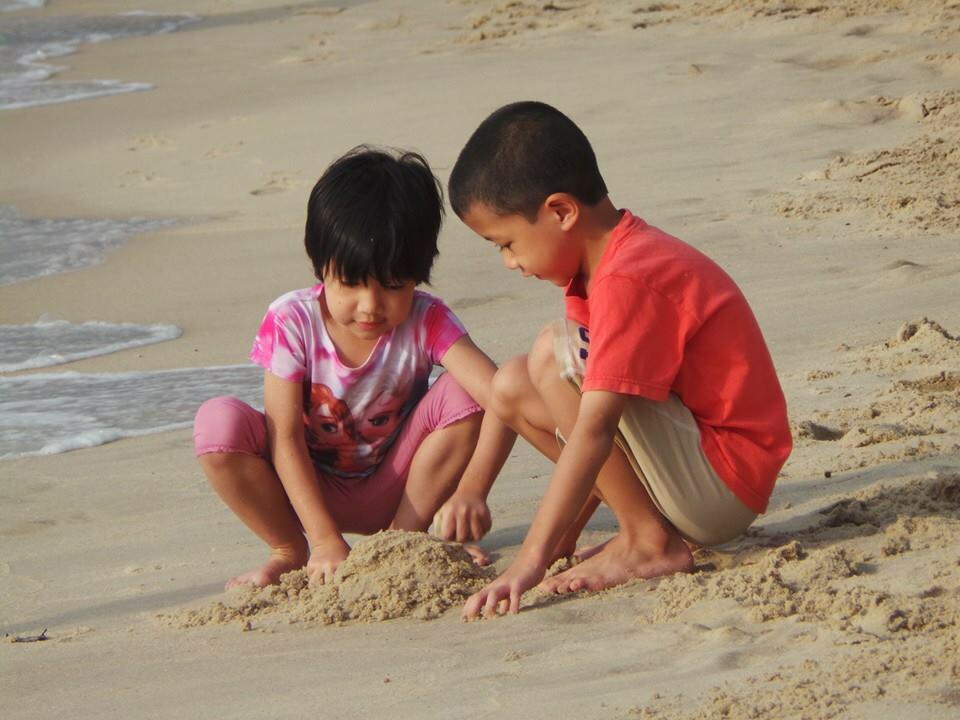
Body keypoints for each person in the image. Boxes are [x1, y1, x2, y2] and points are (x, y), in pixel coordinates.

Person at [448, 101, 792, 619]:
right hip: (692, 474)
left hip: (723, 481)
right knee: (514, 383)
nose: (510, 262)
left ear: (561, 212)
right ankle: (643, 527)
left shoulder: (629, 276)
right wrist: (563, 537)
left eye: (508, 243)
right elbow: (587, 428)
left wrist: (529, 561)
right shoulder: (601, 270)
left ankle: (648, 540)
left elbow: (594, 431)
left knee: (553, 356)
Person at [193, 146, 515, 590]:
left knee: (465, 392)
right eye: (350, 283)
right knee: (218, 423)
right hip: (308, 490)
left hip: (399, 489)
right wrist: (324, 540)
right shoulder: (292, 320)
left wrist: (472, 490)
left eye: (393, 285)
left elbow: (505, 397)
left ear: (419, 273)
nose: (370, 306)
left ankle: (404, 543)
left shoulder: (427, 320)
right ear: (320, 265)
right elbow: (284, 436)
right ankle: (288, 550)